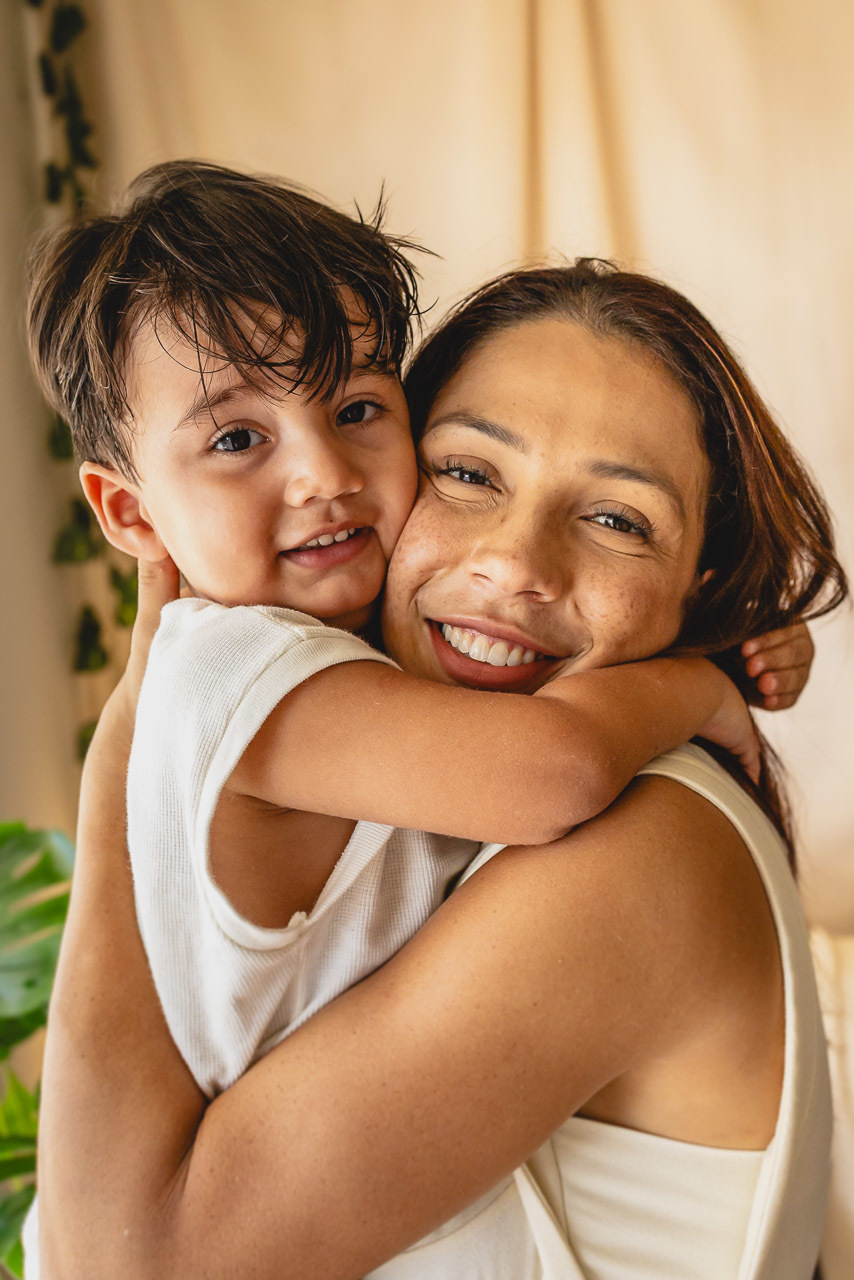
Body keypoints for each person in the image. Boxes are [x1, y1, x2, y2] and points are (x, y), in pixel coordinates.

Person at [32, 254, 840, 1278]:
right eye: (465, 472)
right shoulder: (391, 776)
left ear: (700, 582)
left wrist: (127, 757)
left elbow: (124, 1265)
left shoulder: (639, 850)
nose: (513, 561)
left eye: (616, 520)